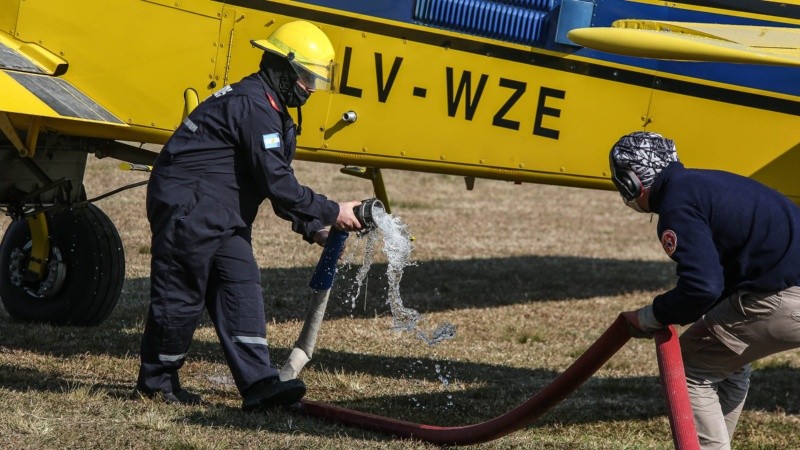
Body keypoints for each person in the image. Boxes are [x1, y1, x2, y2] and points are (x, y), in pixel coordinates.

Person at [134, 20, 364, 410]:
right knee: (182, 294)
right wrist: (331, 210)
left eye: (315, 81)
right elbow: (275, 180)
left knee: (241, 285)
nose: (310, 88)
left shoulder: (270, 105)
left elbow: (266, 179)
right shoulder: (255, 105)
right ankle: (156, 384)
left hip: (221, 209)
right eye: (307, 77)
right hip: (190, 205)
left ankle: (259, 384)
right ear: (282, 67)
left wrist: (313, 227)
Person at [610, 131, 800, 449]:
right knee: (727, 362)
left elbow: (702, 287)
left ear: (631, 181)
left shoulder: (677, 205)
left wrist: (650, 316)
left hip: (785, 295)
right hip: (786, 286)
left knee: (688, 367)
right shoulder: (701, 184)